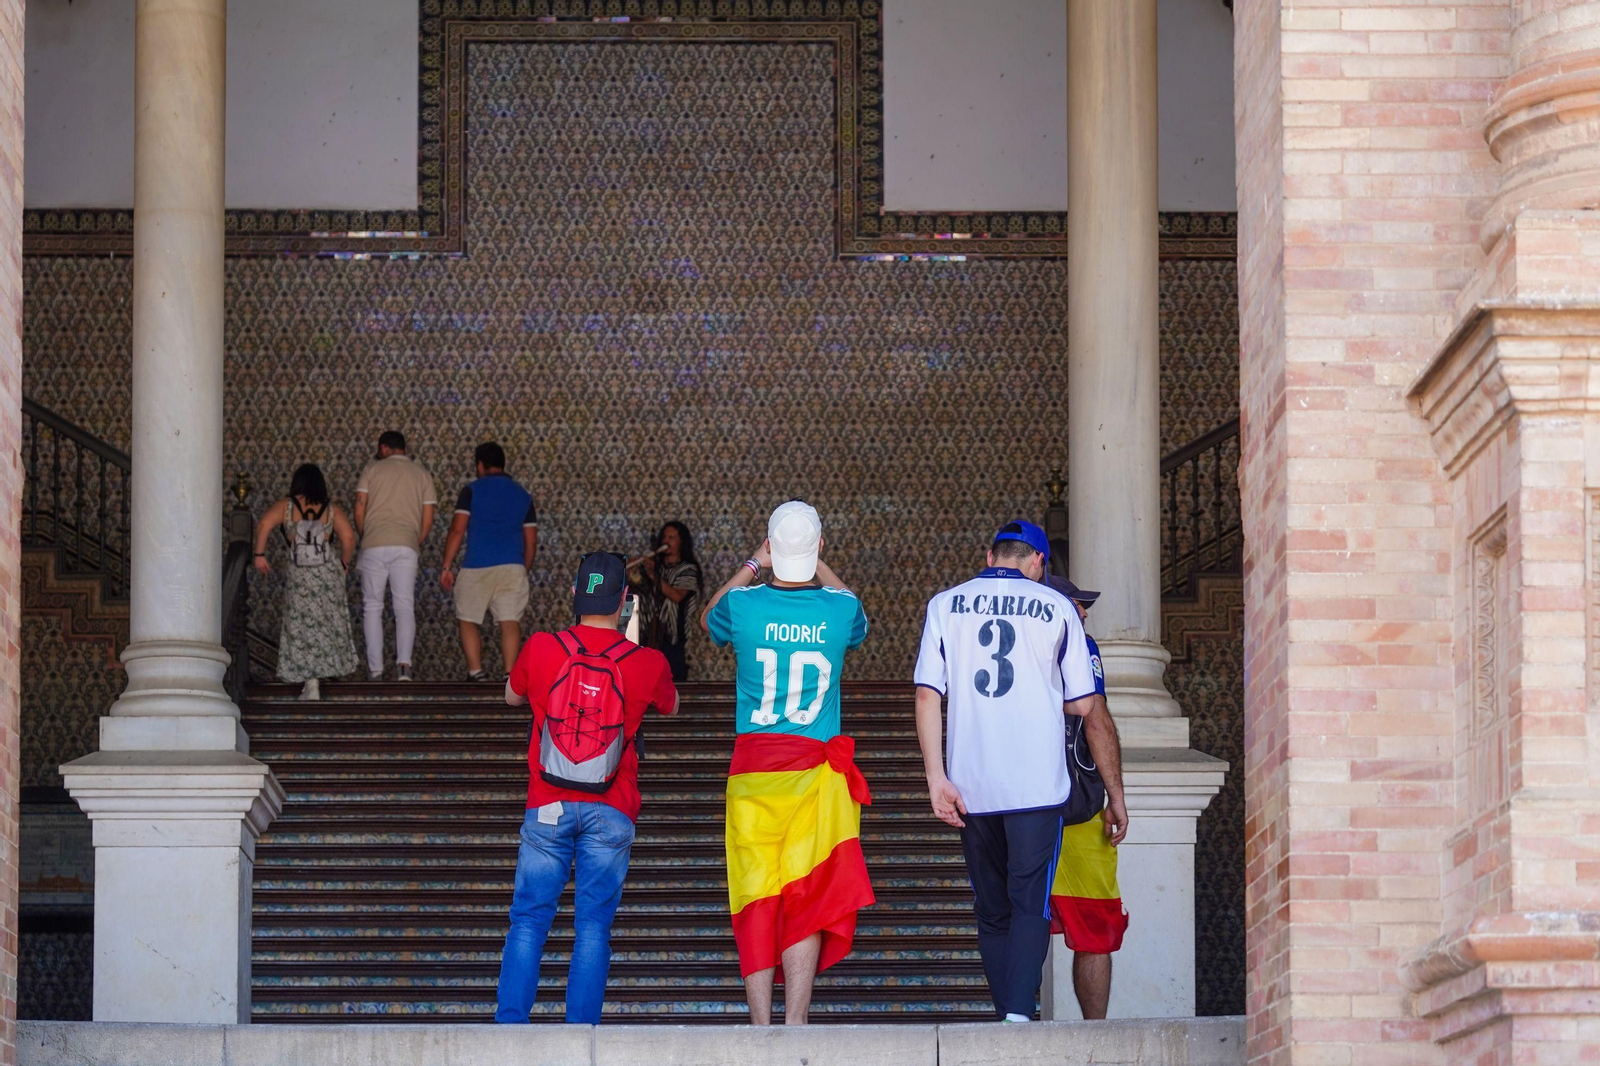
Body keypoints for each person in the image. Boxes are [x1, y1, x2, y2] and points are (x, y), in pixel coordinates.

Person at [911, 520, 1100, 1023]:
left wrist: (935, 778)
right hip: (1037, 785)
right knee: (1029, 905)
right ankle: (1017, 1019)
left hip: (971, 784)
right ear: (1038, 561)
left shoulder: (944, 605)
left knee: (991, 910)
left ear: (990, 556)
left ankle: (1008, 1018)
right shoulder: (1058, 607)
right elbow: (1083, 703)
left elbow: (928, 693)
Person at [700, 500, 874, 1025]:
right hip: (815, 776)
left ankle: (760, 1028)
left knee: (755, 895)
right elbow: (855, 608)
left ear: (772, 549)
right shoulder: (840, 612)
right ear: (819, 548)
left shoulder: (744, 606)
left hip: (753, 774)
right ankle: (796, 1025)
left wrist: (756, 563)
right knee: (806, 897)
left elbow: (709, 615)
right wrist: (813, 559)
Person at [496, 551, 679, 1024]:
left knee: (530, 921)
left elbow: (512, 695)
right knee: (593, 927)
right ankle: (581, 1039)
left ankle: (510, 1030)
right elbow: (672, 705)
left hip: (548, 803)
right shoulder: (647, 661)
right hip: (611, 807)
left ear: (575, 595)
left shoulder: (540, 646)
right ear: (624, 601)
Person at [1043, 575, 1130, 1021]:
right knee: (1094, 925)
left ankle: (1015, 1023)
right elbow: (1096, 719)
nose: (1084, 613)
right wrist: (1116, 797)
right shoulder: (1082, 646)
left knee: (1021, 922)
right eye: (1077, 604)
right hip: (1079, 807)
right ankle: (1096, 1037)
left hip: (1020, 805)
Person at [253, 464, 360, 701]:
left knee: (301, 623)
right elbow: (349, 537)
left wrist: (259, 555)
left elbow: (263, 525)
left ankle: (310, 683)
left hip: (300, 573)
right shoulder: (331, 509)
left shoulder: (287, 506)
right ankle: (317, 679)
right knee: (324, 623)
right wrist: (343, 562)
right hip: (327, 573)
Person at [439, 442, 538, 681]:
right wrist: (522, 569)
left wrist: (446, 566)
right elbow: (531, 541)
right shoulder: (523, 495)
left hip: (476, 565)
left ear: (480, 465)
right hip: (512, 566)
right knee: (509, 620)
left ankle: (476, 672)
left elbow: (457, 530)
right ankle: (509, 675)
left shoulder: (472, 490)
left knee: (468, 618)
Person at [353, 431, 436, 681]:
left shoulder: (372, 469)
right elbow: (428, 517)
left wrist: (366, 534)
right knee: (404, 606)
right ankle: (404, 667)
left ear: (384, 447)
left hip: (374, 544)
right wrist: (414, 540)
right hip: (406, 545)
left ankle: (376, 670)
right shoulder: (421, 473)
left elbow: (359, 505)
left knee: (372, 608)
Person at [627, 520, 703, 681]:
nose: (666, 541)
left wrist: (652, 574)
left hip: (673, 637)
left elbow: (677, 595)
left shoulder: (688, 569)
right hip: (648, 635)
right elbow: (638, 592)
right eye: (664, 537)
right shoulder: (657, 567)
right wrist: (634, 572)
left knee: (672, 681)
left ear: (681, 541)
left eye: (671, 537)